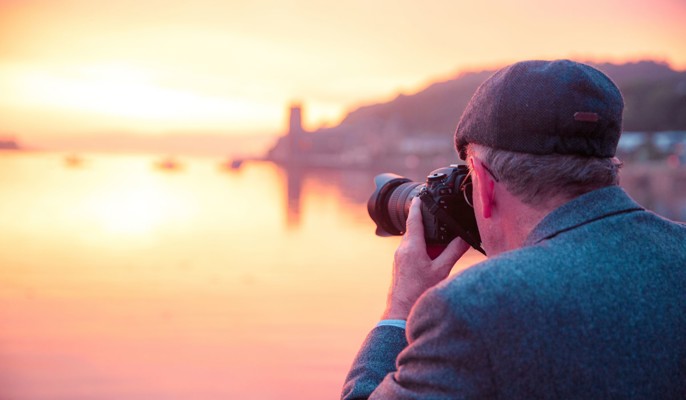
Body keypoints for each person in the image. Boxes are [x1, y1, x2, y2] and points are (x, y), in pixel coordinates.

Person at [341, 60, 686, 399]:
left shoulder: (471, 310)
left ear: (485, 186)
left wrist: (402, 306)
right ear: (609, 165)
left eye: (469, 182)